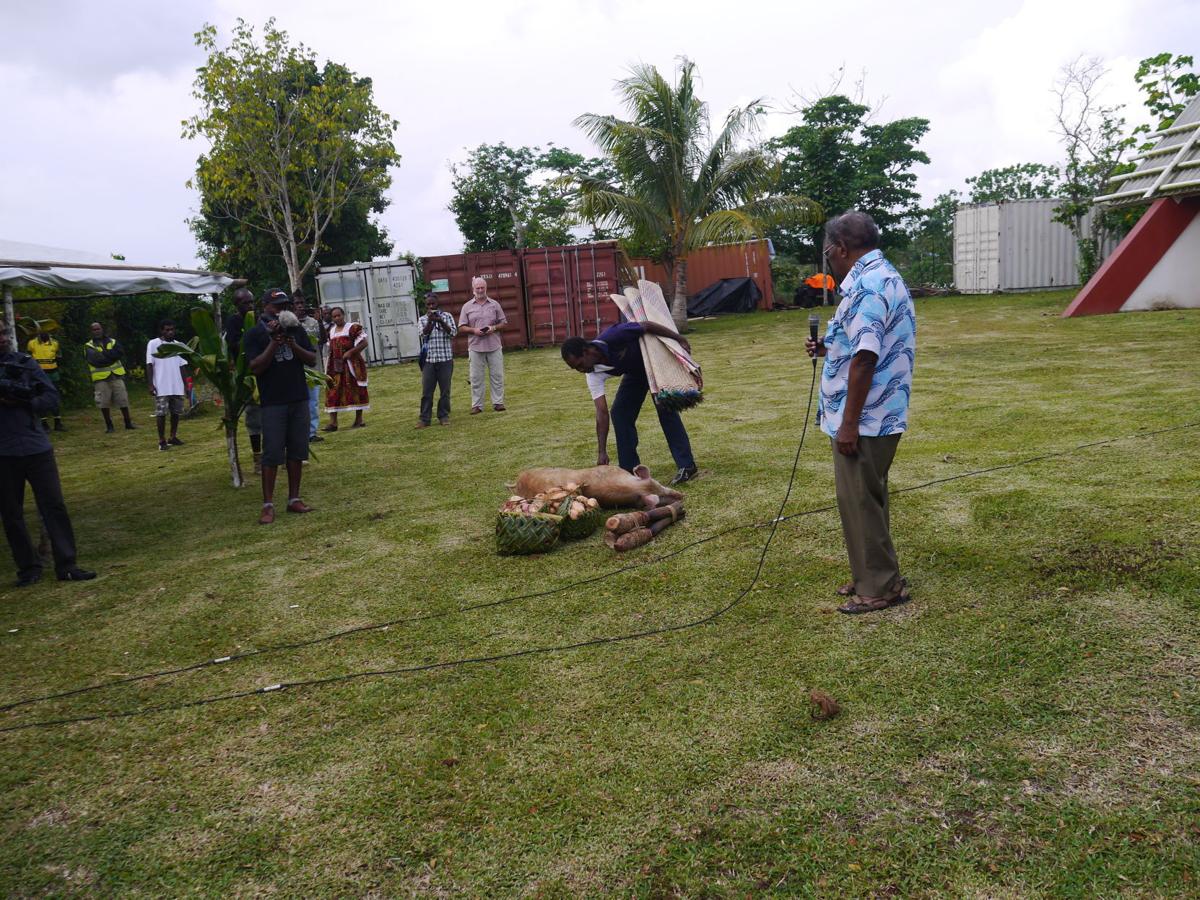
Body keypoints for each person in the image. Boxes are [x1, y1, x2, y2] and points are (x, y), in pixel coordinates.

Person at [805, 210, 916, 615]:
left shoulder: (869, 285)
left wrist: (848, 424)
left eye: (827, 252)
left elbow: (867, 359)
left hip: (868, 417)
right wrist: (828, 347)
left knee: (858, 499)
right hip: (874, 414)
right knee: (865, 496)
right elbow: (861, 343)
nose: (828, 260)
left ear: (841, 248)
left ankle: (880, 588)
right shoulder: (879, 275)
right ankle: (874, 572)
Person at [0, 327, 95, 586]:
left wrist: (25, 402)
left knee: (54, 505)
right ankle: (28, 568)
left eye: (3, 333)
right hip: (4, 453)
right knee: (11, 513)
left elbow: (51, 397)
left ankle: (67, 564)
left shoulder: (24, 363)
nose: (3, 339)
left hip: (36, 446)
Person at [560, 321, 699, 486]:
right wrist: (602, 452)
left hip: (653, 363)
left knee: (665, 407)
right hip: (635, 374)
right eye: (576, 368)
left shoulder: (613, 335)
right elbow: (601, 412)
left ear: (586, 351)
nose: (580, 370)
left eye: (580, 365)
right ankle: (629, 471)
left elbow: (647, 326)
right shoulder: (592, 374)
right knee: (619, 414)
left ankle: (687, 465)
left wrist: (679, 338)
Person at [243, 288, 317, 524]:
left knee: (297, 451)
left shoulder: (296, 329)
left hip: (298, 398)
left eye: (285, 306)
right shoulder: (255, 334)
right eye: (277, 307)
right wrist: (273, 343)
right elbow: (255, 367)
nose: (282, 311)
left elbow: (312, 359)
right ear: (265, 306)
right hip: (273, 402)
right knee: (272, 453)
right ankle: (268, 505)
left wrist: (292, 344)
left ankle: (294, 499)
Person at [223, 288, 265, 472]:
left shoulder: (259, 319)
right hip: (246, 376)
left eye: (251, 302)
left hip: (264, 371)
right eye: (245, 303)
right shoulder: (233, 322)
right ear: (236, 305)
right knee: (254, 417)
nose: (250, 306)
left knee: (273, 415)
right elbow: (232, 344)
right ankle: (258, 458)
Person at [457, 276, 507, 414]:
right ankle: (477, 405)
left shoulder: (495, 304)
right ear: (473, 289)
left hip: (494, 345)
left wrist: (494, 328)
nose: (480, 290)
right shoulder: (466, 307)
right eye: (477, 288)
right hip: (475, 346)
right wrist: (473, 330)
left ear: (486, 288)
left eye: (482, 288)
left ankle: (498, 403)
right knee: (476, 377)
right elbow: (461, 327)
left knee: (497, 375)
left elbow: (504, 323)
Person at [415, 291, 458, 428]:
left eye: (433, 303)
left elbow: (453, 333)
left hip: (446, 359)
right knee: (427, 391)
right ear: (425, 305)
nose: (431, 306)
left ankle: (443, 415)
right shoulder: (422, 319)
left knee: (445, 390)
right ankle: (424, 419)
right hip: (429, 360)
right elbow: (423, 334)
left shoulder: (447, 316)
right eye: (428, 304)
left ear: (437, 303)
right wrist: (430, 321)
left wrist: (440, 321)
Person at [84, 322, 136, 432]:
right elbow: (96, 360)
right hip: (101, 379)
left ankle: (128, 423)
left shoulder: (113, 341)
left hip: (116, 376)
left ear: (102, 329)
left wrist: (104, 354)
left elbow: (120, 353)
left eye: (98, 329)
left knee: (123, 400)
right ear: (91, 332)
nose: (97, 331)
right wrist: (111, 356)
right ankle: (109, 426)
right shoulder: (88, 346)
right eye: (94, 329)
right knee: (104, 403)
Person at [323, 306, 369, 430]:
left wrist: (351, 352)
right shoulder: (331, 331)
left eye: (339, 315)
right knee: (332, 390)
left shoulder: (352, 328)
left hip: (352, 364)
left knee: (356, 389)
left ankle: (359, 419)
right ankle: (333, 422)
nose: (337, 318)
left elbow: (364, 343)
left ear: (343, 315)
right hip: (336, 366)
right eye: (334, 316)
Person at [146, 320, 188, 451]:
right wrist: (151, 384)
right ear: (161, 331)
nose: (170, 332)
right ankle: (161, 440)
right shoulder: (153, 343)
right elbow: (149, 364)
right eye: (167, 330)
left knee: (176, 413)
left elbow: (182, 366)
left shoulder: (179, 345)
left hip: (177, 385)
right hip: (161, 385)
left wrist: (186, 384)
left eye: (172, 329)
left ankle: (173, 436)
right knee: (161, 414)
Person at [294, 293, 324, 442]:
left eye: (302, 303)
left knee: (313, 402)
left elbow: (322, 341)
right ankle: (299, 433)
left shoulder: (312, 322)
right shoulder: (288, 323)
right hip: (295, 371)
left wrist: (320, 321)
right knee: (299, 404)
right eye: (297, 303)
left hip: (313, 369)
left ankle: (311, 433)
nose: (300, 306)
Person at [27, 324, 66, 432]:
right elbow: (28, 358)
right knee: (40, 397)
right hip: (39, 375)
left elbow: (59, 356)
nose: (45, 334)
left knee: (55, 396)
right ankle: (44, 424)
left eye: (47, 332)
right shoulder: (32, 343)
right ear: (38, 333)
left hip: (53, 373)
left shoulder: (54, 343)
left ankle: (58, 423)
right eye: (42, 332)